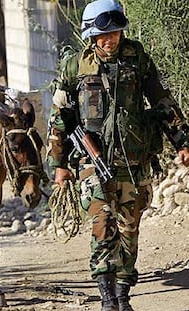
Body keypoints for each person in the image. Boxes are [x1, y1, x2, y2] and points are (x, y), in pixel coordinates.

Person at [47, 1, 189, 310]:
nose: (110, 39)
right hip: (91, 163)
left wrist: (182, 141)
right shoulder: (75, 66)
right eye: (103, 35)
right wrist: (58, 164)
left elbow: (161, 100)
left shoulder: (137, 58)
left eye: (115, 32)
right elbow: (59, 116)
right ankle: (107, 298)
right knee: (104, 223)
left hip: (133, 160)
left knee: (129, 228)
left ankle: (123, 296)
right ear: (91, 36)